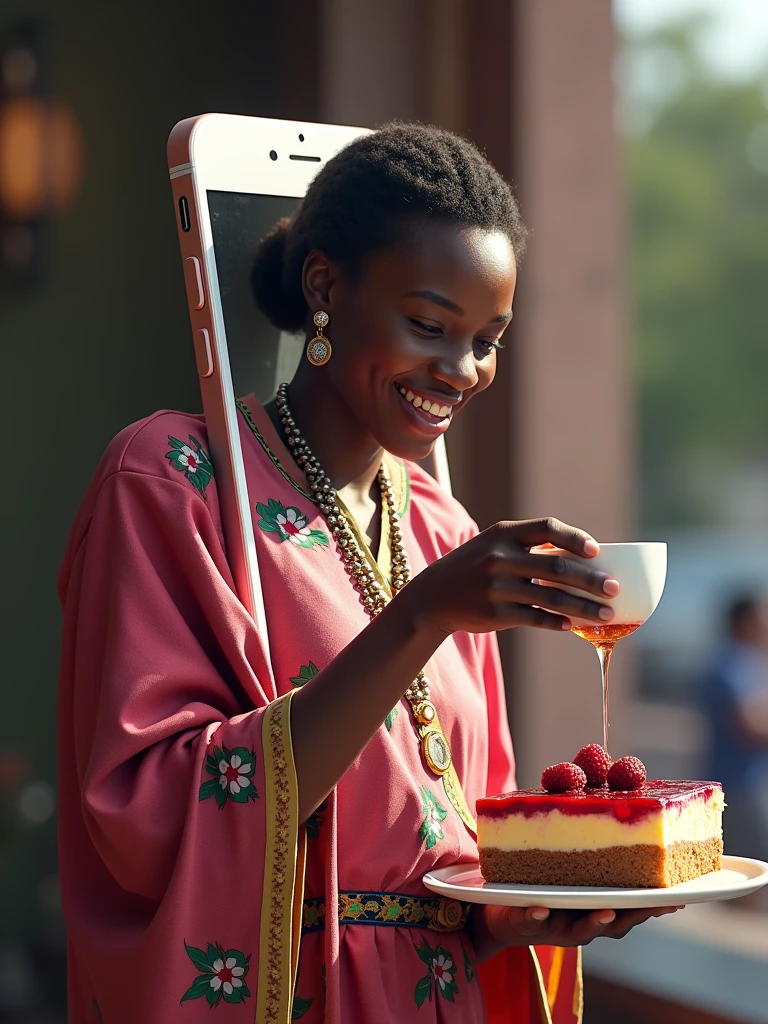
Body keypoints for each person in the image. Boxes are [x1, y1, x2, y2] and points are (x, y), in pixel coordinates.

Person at [58, 122, 679, 1024]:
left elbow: (457, 863)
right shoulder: (174, 479)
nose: (462, 370)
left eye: (488, 337)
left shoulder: (441, 527)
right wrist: (421, 616)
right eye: (430, 325)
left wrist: (535, 909)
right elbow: (143, 815)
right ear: (325, 287)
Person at [704, 595, 768, 861]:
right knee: (750, 867)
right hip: (740, 786)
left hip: (740, 782)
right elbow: (750, 726)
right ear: (746, 621)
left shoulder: (738, 661)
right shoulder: (735, 663)